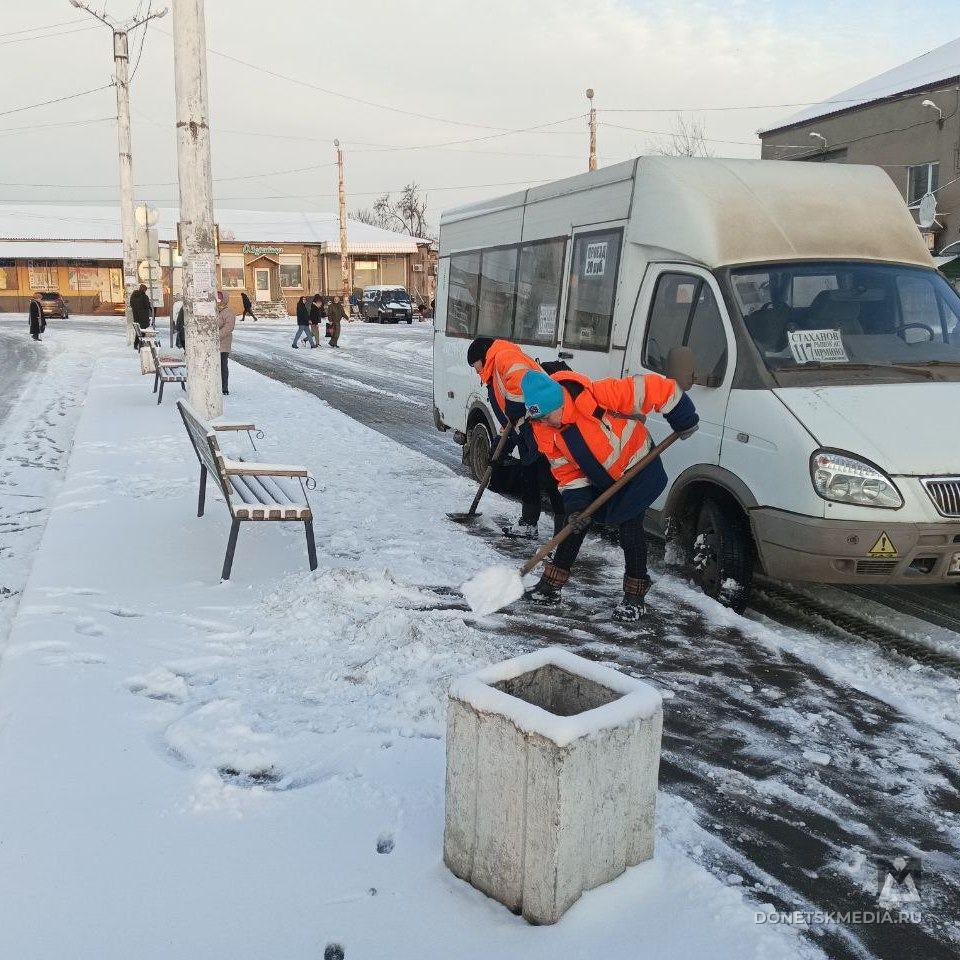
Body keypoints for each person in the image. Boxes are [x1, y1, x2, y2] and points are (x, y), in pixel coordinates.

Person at [519, 367, 699, 621]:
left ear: (560, 402)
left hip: (637, 467)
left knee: (630, 527)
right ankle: (551, 587)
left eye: (548, 416)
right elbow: (566, 472)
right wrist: (577, 505)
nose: (546, 423)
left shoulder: (599, 395)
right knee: (575, 524)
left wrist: (682, 415)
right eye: (540, 419)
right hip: (599, 477)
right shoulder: (543, 428)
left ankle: (635, 596)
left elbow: (655, 388)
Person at [467, 337, 566, 539]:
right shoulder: (493, 374)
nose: (475, 370)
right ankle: (529, 524)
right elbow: (509, 417)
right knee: (528, 476)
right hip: (526, 432)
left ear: (481, 357)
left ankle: (564, 535)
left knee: (552, 480)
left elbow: (520, 385)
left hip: (541, 428)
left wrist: (513, 409)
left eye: (474, 365)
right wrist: (500, 447)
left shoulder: (504, 356)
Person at [217, 291, 237, 395]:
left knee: (222, 364)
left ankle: (224, 387)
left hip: (224, 342)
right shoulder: (215, 310)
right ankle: (216, 385)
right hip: (214, 343)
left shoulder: (229, 312)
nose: (218, 301)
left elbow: (229, 327)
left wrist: (216, 335)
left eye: (220, 298)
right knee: (216, 365)